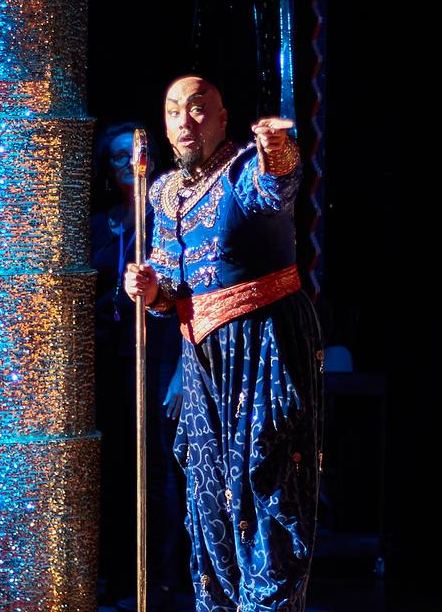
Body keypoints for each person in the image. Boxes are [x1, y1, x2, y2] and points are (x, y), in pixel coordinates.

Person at [124, 76, 323, 612]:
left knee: (268, 483)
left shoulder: (241, 171)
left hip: (264, 347)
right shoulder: (162, 192)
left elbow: (274, 190)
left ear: (221, 117)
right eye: (172, 112)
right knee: (208, 497)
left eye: (197, 109)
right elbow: (170, 284)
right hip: (201, 360)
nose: (184, 122)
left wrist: (276, 148)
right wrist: (151, 290)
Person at [89, 122, 188, 610]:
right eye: (117, 157)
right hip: (111, 361)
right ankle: (118, 575)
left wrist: (181, 371)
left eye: (136, 154)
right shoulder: (101, 224)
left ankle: (163, 579)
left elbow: (191, 295)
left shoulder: (170, 220)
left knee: (159, 467)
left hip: (161, 355)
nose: (129, 165)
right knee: (116, 465)